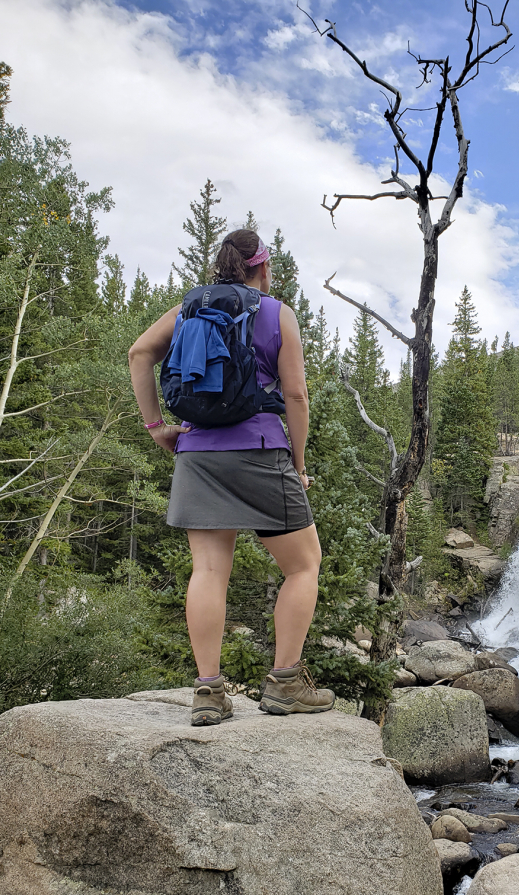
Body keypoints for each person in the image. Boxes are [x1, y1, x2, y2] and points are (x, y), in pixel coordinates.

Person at [128, 228, 334, 726]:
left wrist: (157, 428)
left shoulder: (189, 310)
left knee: (209, 571)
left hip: (197, 452)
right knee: (304, 565)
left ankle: (207, 693)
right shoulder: (276, 313)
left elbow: (139, 354)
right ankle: (285, 683)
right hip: (261, 450)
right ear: (263, 268)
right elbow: (296, 396)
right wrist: (299, 466)